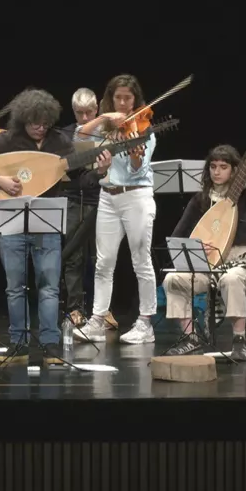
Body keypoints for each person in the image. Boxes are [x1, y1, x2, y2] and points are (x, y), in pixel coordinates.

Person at [0, 88, 111, 357]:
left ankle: (49, 341)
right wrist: (0, 181)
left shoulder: (60, 142)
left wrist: (99, 172)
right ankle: (18, 342)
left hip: (47, 224)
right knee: (15, 287)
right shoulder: (9, 140)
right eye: (34, 123)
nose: (40, 128)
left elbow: (79, 181)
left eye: (45, 123)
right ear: (23, 119)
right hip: (13, 224)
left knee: (50, 286)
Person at [163, 145, 246, 361]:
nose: (216, 171)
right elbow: (178, 236)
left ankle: (239, 341)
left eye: (223, 167)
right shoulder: (201, 199)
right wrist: (196, 246)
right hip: (209, 265)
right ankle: (191, 339)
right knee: (172, 280)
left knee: (231, 279)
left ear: (234, 170)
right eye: (213, 166)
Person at [73, 74, 159, 345]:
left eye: (127, 98)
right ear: (110, 99)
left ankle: (146, 323)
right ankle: (97, 320)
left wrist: (135, 152)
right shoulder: (103, 127)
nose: (122, 102)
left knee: (140, 261)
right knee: (103, 262)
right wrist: (104, 117)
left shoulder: (143, 128)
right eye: (118, 97)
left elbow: (138, 169)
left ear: (135, 101)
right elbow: (79, 136)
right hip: (108, 196)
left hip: (136, 197)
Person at [60, 87, 102, 330]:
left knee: (101, 258)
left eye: (89, 112)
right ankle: (74, 308)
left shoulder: (108, 133)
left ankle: (101, 310)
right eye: (79, 113)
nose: (85, 119)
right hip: (74, 199)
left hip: (101, 200)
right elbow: (61, 168)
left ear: (97, 110)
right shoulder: (66, 134)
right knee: (73, 257)